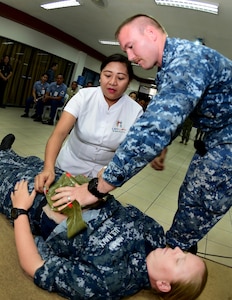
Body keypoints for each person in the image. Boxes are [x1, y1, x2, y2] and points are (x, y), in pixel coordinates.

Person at [63, 14, 232, 255]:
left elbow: (152, 130)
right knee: (191, 197)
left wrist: (97, 188)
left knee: (202, 199)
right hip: (218, 136)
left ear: (151, 34)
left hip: (226, 141)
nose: (130, 57)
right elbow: (171, 114)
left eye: (131, 46)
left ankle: (175, 262)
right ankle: (177, 251)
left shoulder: (186, 62)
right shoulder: (168, 69)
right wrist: (162, 146)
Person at [0, 134, 207, 300]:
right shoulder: (155, 237)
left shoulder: (107, 282)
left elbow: (35, 267)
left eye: (179, 261)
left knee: (7, 173)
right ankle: (7, 153)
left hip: (38, 205)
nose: (177, 250)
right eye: (184, 253)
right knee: (33, 163)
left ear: (163, 284)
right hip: (72, 189)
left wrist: (20, 211)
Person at [35, 53, 143, 191]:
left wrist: (111, 173)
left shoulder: (136, 111)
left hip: (103, 174)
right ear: (100, 75)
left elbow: (132, 152)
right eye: (108, 75)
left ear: (129, 82)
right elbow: (59, 134)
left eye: (120, 78)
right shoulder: (84, 96)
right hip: (70, 164)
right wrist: (48, 168)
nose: (113, 82)